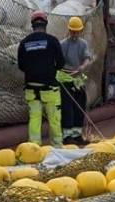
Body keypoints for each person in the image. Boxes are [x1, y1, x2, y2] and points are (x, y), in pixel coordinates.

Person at [17, 11, 65, 146]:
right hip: (50, 88)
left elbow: (21, 65)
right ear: (46, 24)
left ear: (32, 25)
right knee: (54, 119)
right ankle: (57, 147)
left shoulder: (24, 43)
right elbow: (61, 63)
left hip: (31, 88)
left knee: (34, 118)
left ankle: (33, 147)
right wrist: (50, 70)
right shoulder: (53, 41)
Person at [58, 15, 92, 144]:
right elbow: (59, 63)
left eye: (77, 31)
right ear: (69, 30)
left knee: (80, 105)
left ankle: (77, 134)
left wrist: (82, 67)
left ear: (80, 31)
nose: (74, 34)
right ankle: (67, 136)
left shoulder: (83, 44)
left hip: (78, 78)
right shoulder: (63, 44)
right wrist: (67, 71)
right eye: (72, 31)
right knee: (67, 106)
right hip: (65, 78)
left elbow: (87, 58)